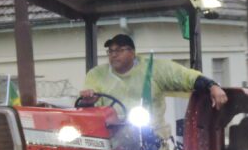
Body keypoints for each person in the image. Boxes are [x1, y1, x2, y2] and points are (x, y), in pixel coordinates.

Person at [79, 33, 228, 140]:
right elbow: (91, 97)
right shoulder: (97, 74)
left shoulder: (154, 69)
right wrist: (88, 98)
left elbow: (185, 76)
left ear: (132, 53)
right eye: (110, 51)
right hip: (112, 138)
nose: (114, 54)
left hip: (151, 137)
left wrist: (211, 86)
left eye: (119, 50)